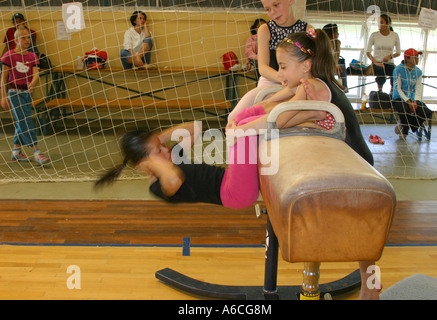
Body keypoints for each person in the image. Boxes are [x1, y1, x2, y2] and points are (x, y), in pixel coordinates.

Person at [230, 29, 379, 300]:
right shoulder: (307, 84)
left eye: (284, 67)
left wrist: (244, 128)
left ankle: (371, 285)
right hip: (340, 158)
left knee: (363, 230)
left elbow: (280, 120)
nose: (280, 73)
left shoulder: (317, 87)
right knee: (360, 229)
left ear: (306, 65)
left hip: (357, 160)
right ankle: (362, 281)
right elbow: (276, 106)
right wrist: (242, 117)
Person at [95, 120, 259, 210]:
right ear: (144, 163)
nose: (166, 150)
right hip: (236, 192)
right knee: (242, 129)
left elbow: (195, 127)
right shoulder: (158, 186)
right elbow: (174, 179)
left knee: (244, 119)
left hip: (233, 179)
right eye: (159, 151)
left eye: (162, 147)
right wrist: (151, 162)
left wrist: (159, 139)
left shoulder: (172, 156)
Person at [227, 0, 313, 125]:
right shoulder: (265, 29)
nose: (273, 12)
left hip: (297, 84)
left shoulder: (307, 30)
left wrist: (293, 82)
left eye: (276, 5)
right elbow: (262, 67)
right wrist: (283, 79)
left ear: (290, 1)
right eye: (268, 9)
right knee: (233, 117)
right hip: (270, 81)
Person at [1, 28, 50, 165]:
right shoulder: (8, 56)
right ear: (16, 40)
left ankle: (16, 151)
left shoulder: (32, 56)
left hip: (27, 93)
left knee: (21, 121)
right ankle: (36, 151)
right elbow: (3, 78)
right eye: (23, 38)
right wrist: (3, 97)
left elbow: (36, 74)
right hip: (14, 92)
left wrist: (32, 84)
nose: (27, 40)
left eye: (28, 38)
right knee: (25, 121)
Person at [392, 48, 432, 140]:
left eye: (417, 57)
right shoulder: (398, 70)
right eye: (414, 57)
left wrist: (415, 101)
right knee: (404, 110)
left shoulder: (418, 72)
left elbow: (418, 88)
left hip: (413, 98)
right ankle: (405, 131)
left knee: (426, 111)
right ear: (407, 58)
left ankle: (404, 124)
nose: (417, 59)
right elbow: (398, 89)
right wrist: (408, 101)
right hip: (399, 97)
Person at [366, 13, 401, 93]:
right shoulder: (374, 35)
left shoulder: (394, 35)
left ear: (388, 24)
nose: (379, 25)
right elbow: (368, 52)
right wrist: (375, 62)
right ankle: (380, 91)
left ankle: (392, 92)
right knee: (381, 70)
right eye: (378, 23)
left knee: (395, 72)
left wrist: (390, 56)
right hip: (377, 62)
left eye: (382, 22)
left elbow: (398, 52)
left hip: (389, 63)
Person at [323, 23, 348, 91]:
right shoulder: (323, 42)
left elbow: (337, 55)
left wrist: (336, 64)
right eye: (337, 32)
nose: (337, 34)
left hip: (333, 63)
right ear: (332, 33)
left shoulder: (337, 42)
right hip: (324, 62)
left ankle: (344, 88)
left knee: (341, 67)